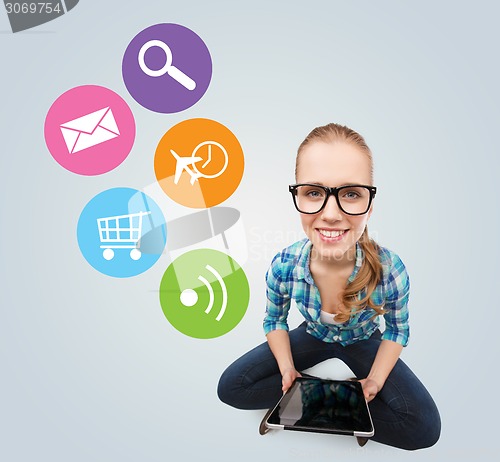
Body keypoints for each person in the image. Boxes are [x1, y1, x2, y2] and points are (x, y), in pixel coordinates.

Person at [217, 123, 441, 450]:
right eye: (314, 193)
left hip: (364, 341)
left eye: (350, 194)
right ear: (297, 196)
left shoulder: (390, 269)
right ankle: (322, 397)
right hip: (313, 336)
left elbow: (396, 330)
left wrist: (375, 380)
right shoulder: (285, 264)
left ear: (370, 202)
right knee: (231, 387)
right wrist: (287, 370)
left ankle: (302, 404)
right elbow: (275, 321)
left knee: (423, 428)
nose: (331, 214)